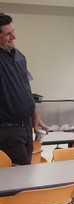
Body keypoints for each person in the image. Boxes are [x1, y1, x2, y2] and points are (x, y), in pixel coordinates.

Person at [0, 12, 48, 165]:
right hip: (8, 131)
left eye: (13, 31)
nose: (14, 36)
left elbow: (26, 89)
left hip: (27, 128)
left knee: (24, 177)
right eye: (8, 33)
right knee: (21, 178)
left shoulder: (19, 56)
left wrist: (35, 116)